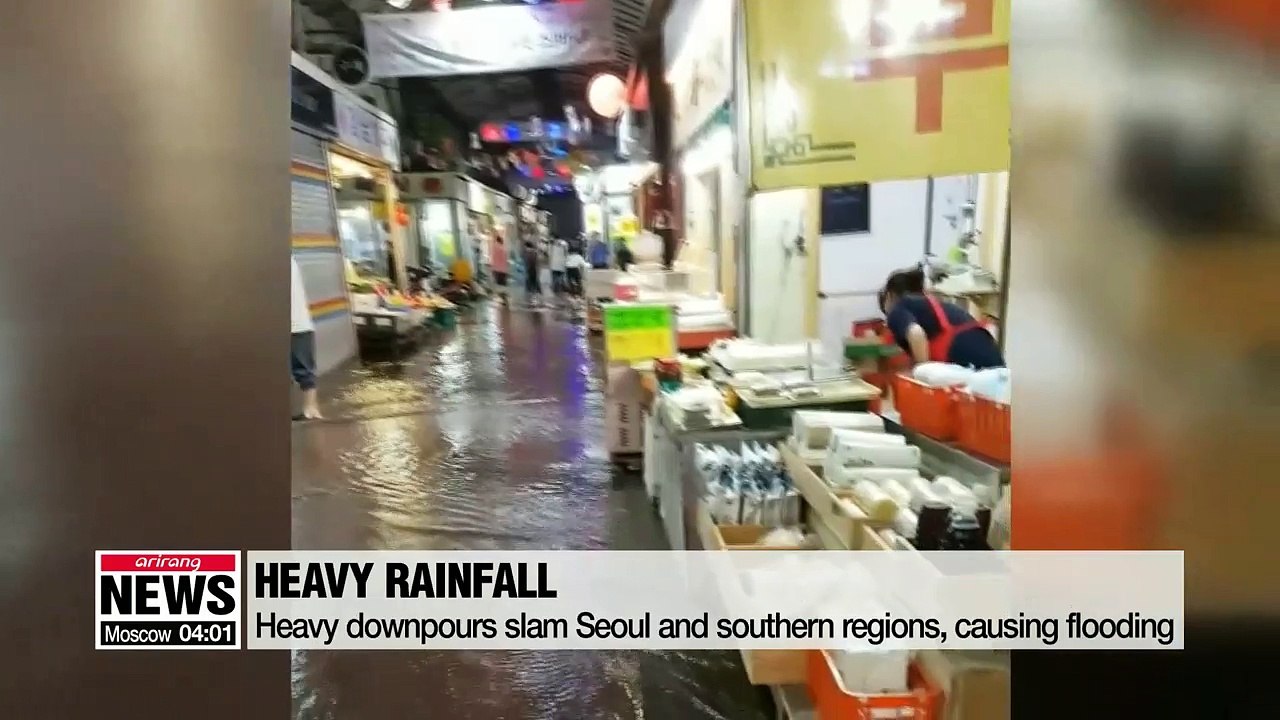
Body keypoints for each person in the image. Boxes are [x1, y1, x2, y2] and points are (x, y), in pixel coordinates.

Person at [879, 267, 1004, 369]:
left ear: (890, 296)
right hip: (993, 360)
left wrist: (922, 375)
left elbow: (916, 334)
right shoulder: (935, 306)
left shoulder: (897, 309)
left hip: (965, 356)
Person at [290, 255, 323, 421]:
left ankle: (311, 409)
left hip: (296, 325)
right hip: (300, 325)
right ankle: (311, 409)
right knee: (304, 370)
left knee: (303, 370)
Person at [490, 231, 510, 305]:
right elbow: (505, 260)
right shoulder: (503, 249)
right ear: (501, 241)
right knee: (503, 284)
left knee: (498, 283)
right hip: (503, 269)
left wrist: (492, 268)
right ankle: (504, 298)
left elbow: (492, 259)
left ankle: (502, 298)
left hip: (495, 269)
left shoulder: (494, 248)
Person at [522, 240, 542, 305]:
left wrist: (528, 269)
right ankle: (534, 296)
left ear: (527, 246)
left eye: (525, 247)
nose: (524, 248)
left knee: (531, 284)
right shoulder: (533, 252)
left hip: (531, 270)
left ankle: (531, 298)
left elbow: (531, 263)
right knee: (533, 284)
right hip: (533, 270)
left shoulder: (530, 253)